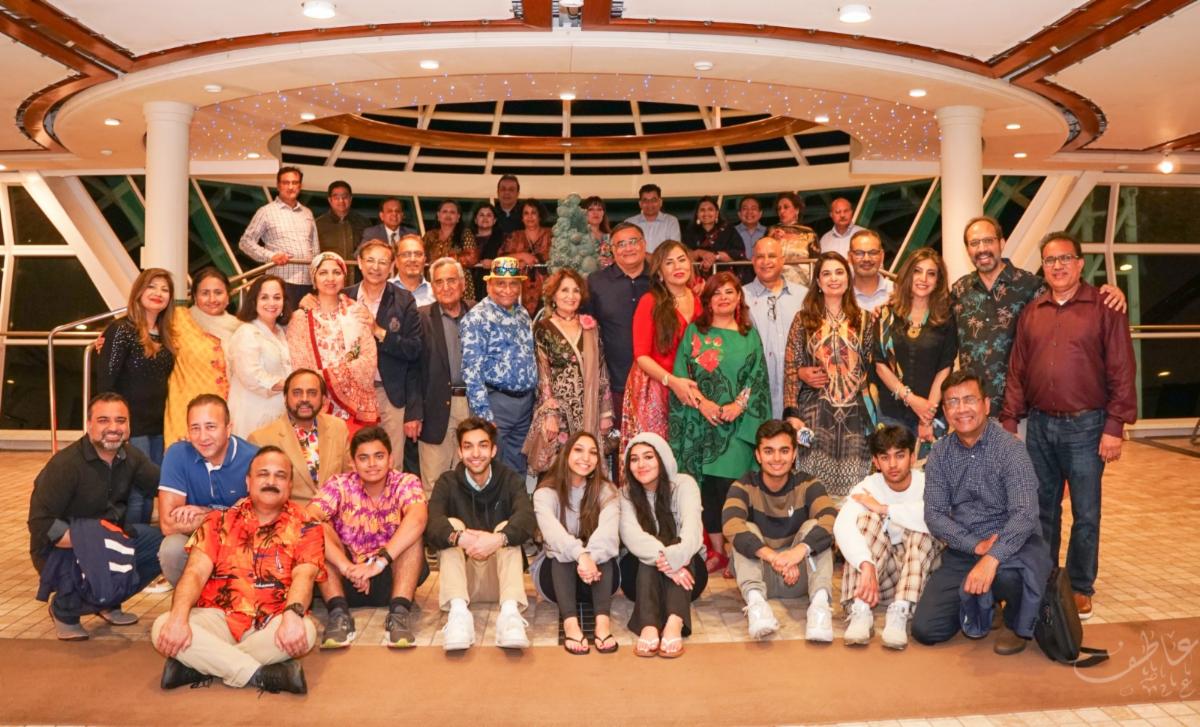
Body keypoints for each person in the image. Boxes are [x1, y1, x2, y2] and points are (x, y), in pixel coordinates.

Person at [1000, 231, 1136, 620]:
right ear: (1042, 267)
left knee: (1086, 512)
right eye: (1050, 260)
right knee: (1042, 509)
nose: (1057, 266)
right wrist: (1009, 419)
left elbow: (1122, 368)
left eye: (1064, 259)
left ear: (1079, 263)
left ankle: (1079, 586)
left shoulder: (1105, 307)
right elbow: (1017, 370)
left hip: (1087, 427)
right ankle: (1044, 578)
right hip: (1040, 426)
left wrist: (1114, 425)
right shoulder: (1032, 312)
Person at [151, 446, 322, 694]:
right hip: (219, 617)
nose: (271, 481)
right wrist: (178, 618)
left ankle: (202, 666)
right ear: (248, 482)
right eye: (263, 474)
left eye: (280, 475)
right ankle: (262, 674)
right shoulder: (218, 521)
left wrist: (293, 615)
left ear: (290, 484)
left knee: (305, 631)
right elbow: (195, 573)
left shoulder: (307, 524)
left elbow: (304, 576)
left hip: (273, 619)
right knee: (162, 626)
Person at [911, 372, 1051, 655]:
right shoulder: (940, 454)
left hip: (1013, 544)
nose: (962, 409)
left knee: (1009, 576)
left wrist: (991, 556)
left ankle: (1014, 620)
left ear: (986, 405)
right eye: (953, 402)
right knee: (926, 629)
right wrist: (975, 546)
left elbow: (1025, 514)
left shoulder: (1011, 449)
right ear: (945, 411)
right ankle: (985, 603)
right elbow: (935, 514)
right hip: (965, 547)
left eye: (969, 400)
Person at [951, 215, 1126, 414]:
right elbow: (941, 338)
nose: (982, 248)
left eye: (988, 240)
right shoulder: (959, 290)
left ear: (1002, 243)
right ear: (967, 249)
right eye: (974, 243)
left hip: (1020, 412)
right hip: (971, 410)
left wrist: (1108, 292)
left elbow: (1069, 294)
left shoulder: (1032, 286)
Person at [29, 393, 163, 640]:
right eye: (103, 420)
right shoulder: (65, 465)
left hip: (110, 540)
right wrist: (94, 542)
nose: (113, 428)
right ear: (89, 424)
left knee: (163, 545)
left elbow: (164, 487)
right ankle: (64, 610)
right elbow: (41, 524)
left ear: (129, 426)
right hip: (62, 550)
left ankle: (108, 601)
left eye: (120, 420)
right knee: (100, 550)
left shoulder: (131, 457)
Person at [669, 272, 771, 572]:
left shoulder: (748, 335)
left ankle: (738, 551)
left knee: (733, 488)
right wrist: (703, 404)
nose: (723, 297)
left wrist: (739, 405)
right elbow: (682, 374)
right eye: (717, 293)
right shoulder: (695, 333)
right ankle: (717, 552)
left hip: (737, 426)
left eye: (729, 292)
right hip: (701, 422)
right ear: (708, 300)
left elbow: (756, 376)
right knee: (707, 490)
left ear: (739, 298)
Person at [308, 427, 428, 649]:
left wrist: (378, 563)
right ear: (352, 463)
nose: (372, 464)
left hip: (390, 576)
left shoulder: (405, 482)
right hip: (345, 579)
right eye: (363, 458)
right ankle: (338, 615)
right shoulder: (339, 484)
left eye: (379, 456)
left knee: (413, 534)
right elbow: (309, 517)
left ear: (390, 460)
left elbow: (418, 518)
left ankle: (399, 615)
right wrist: (347, 568)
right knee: (317, 528)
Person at [425, 417, 535, 651]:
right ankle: (458, 616)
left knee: (506, 528)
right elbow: (432, 524)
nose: (476, 453)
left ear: (493, 450)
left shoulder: (510, 479)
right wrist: (461, 538)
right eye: (468, 446)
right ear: (460, 451)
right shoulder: (447, 482)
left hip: (501, 581)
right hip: (463, 582)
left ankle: (510, 617)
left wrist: (496, 540)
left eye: (483, 446)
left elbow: (527, 519)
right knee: (451, 525)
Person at [722, 420, 836, 642]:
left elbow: (830, 518)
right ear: (758, 455)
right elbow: (730, 525)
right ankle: (757, 606)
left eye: (784, 451)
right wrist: (775, 557)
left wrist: (798, 552)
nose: (776, 458)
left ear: (794, 454)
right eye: (769, 451)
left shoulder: (808, 484)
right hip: (759, 573)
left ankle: (820, 607)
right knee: (744, 528)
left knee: (816, 526)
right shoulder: (743, 486)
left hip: (800, 576)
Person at [834, 425, 940, 649]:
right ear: (875, 461)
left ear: (912, 457)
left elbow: (936, 518)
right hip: (877, 580)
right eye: (885, 457)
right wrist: (866, 564)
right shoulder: (867, 486)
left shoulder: (928, 484)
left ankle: (900, 612)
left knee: (921, 529)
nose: (892, 464)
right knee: (865, 520)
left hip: (916, 580)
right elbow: (841, 526)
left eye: (899, 456)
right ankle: (860, 609)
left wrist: (885, 509)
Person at [784, 252, 878, 502]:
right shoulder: (803, 319)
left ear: (848, 279)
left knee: (855, 493)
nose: (833, 278)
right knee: (812, 491)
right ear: (818, 281)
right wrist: (792, 415)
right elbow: (791, 368)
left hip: (856, 417)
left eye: (839, 272)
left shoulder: (865, 320)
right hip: (814, 416)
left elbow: (873, 368)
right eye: (826, 273)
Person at [97, 267, 176, 522]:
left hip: (158, 427)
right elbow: (106, 383)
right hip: (131, 426)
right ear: (139, 291)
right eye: (151, 286)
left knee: (150, 490)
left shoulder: (167, 336)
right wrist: (114, 424)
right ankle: (127, 542)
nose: (158, 293)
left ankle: (140, 542)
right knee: (134, 494)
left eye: (164, 289)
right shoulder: (122, 330)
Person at [618, 432, 707, 658]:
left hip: (688, 575)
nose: (641, 464)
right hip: (638, 579)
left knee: (678, 543)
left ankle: (675, 621)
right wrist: (666, 561)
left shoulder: (684, 484)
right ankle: (648, 625)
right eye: (634, 459)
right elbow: (631, 536)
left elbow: (693, 531)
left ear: (662, 458)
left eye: (648, 457)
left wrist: (675, 559)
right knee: (647, 550)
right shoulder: (625, 494)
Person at [533, 432, 620, 655]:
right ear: (566, 454)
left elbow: (609, 533)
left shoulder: (607, 490)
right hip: (555, 580)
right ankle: (571, 625)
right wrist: (581, 555)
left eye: (593, 453)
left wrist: (590, 557)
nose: (586, 458)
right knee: (561, 553)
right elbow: (553, 535)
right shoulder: (545, 492)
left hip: (597, 579)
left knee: (603, 551)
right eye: (579, 450)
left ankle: (602, 625)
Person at [157, 394, 258, 585]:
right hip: (199, 542)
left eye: (211, 427)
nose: (202, 437)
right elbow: (168, 524)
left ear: (228, 428)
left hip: (243, 544)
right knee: (171, 547)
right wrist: (231, 513)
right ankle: (192, 598)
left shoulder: (254, 458)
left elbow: (258, 521)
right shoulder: (178, 454)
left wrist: (206, 513)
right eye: (195, 428)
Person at [524, 269, 614, 475]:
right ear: (553, 295)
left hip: (589, 410)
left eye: (576, 291)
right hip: (560, 413)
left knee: (587, 467)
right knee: (558, 472)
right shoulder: (543, 328)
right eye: (564, 290)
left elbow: (602, 370)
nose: (571, 296)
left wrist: (605, 413)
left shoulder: (591, 327)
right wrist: (550, 415)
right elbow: (543, 375)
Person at [620, 240, 702, 461]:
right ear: (659, 273)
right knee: (654, 459)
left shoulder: (699, 300)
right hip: (655, 388)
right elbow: (641, 356)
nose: (677, 267)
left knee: (687, 456)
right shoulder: (650, 302)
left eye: (682, 260)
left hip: (690, 389)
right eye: (669, 262)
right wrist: (672, 382)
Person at [345, 238, 423, 470]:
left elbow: (414, 349)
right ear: (359, 262)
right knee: (351, 462)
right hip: (351, 395)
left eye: (382, 262)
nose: (376, 267)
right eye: (370, 260)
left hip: (390, 393)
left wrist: (379, 332)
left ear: (391, 267)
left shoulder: (404, 300)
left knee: (391, 463)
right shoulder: (344, 297)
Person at [459, 257, 537, 474]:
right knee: (493, 469)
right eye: (501, 283)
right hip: (496, 404)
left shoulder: (522, 313)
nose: (507, 290)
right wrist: (484, 416)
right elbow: (472, 372)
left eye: (513, 284)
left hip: (525, 404)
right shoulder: (477, 318)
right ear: (489, 285)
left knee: (518, 469)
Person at [872, 248, 957, 446]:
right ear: (907, 274)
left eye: (931, 273)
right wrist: (911, 399)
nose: (923, 279)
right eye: (917, 271)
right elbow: (880, 364)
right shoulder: (885, 315)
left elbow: (945, 367)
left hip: (931, 415)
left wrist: (927, 415)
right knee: (893, 464)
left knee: (931, 466)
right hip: (891, 414)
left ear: (938, 280)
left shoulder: (946, 318)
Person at [286, 252, 379, 432]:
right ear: (314, 280)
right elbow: (299, 365)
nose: (330, 278)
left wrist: (331, 377)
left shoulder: (357, 312)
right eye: (323, 273)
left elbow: (369, 359)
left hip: (353, 407)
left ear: (344, 278)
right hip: (316, 405)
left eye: (336, 272)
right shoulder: (300, 318)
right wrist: (326, 382)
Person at [406, 257, 475, 494]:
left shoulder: (478, 313)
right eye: (439, 282)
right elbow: (412, 370)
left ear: (463, 284)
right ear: (432, 287)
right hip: (434, 409)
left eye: (451, 280)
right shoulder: (420, 317)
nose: (446, 287)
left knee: (470, 479)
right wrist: (414, 413)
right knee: (434, 484)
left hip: (472, 407)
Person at [162, 267, 241, 446]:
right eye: (205, 293)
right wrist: (109, 338)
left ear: (228, 296)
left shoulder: (240, 328)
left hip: (226, 412)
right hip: (185, 412)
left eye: (218, 292)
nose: (212, 299)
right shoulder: (178, 320)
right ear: (195, 297)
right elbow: (145, 326)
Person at [248, 369, 351, 504]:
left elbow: (350, 480)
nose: (304, 399)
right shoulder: (261, 439)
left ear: (323, 399)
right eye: (297, 393)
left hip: (336, 512)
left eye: (312, 393)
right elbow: (261, 496)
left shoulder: (338, 428)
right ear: (285, 398)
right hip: (290, 515)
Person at [586, 222, 651, 427]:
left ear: (644, 244)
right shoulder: (596, 282)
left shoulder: (659, 279)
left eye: (633, 241)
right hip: (614, 384)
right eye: (621, 244)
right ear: (612, 250)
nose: (628, 248)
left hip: (656, 381)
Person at [237, 166, 320, 309]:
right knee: (282, 321)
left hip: (308, 282)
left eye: (295, 183)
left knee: (306, 322)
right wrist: (271, 256)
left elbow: (315, 247)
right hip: (281, 282)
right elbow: (245, 242)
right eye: (286, 183)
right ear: (278, 185)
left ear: (300, 186)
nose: (290, 187)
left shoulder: (307, 213)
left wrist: (317, 277)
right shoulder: (266, 212)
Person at [745, 235, 808, 418]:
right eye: (760, 256)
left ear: (783, 260)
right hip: (754, 398)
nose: (766, 262)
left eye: (772, 256)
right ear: (753, 261)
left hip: (799, 396)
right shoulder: (740, 297)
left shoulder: (803, 296)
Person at [227, 274, 292, 438]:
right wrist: (291, 384)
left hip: (280, 413)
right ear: (253, 301)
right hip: (252, 414)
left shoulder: (282, 331)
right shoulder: (246, 333)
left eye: (277, 297)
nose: (271, 303)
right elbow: (252, 376)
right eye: (264, 297)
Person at [423, 199, 479, 300]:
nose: (448, 215)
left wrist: (445, 260)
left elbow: (472, 257)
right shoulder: (429, 235)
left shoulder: (465, 234)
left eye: (452, 212)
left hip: (458, 283)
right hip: (435, 280)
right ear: (438, 215)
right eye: (445, 211)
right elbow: (421, 255)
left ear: (458, 217)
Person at [682, 195, 743, 278]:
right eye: (702, 210)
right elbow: (683, 257)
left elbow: (739, 254)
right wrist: (699, 253)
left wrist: (715, 256)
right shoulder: (690, 232)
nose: (706, 213)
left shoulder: (728, 230)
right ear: (697, 214)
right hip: (696, 279)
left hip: (724, 278)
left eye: (710, 209)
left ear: (717, 213)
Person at [314, 180, 371, 266]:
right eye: (336, 197)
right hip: (330, 272)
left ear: (350, 199)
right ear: (330, 200)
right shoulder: (318, 224)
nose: (341, 201)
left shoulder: (364, 223)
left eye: (345, 197)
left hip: (358, 272)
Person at [624, 183, 681, 253]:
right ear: (640, 204)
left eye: (653, 200)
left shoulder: (671, 221)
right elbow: (627, 248)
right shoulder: (629, 223)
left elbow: (675, 248)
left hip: (663, 260)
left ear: (660, 202)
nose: (649, 204)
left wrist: (654, 258)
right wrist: (646, 256)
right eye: (645, 200)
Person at [849, 229, 894, 313]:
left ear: (882, 256)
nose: (866, 259)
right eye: (859, 253)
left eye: (873, 253)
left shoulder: (897, 293)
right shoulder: (839, 294)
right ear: (849, 257)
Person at [499, 198, 552, 263]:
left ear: (540, 216)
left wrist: (536, 259)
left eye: (533, 213)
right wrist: (522, 256)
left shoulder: (551, 234)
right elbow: (500, 259)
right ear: (522, 218)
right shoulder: (514, 236)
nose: (530, 216)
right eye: (526, 213)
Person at [391, 234, 436, 306]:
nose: (413, 259)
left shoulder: (436, 292)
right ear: (396, 261)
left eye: (418, 254)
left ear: (424, 260)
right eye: (406, 254)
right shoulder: (384, 290)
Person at [471, 202, 502, 294]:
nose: (485, 218)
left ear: (494, 220)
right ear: (475, 220)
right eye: (481, 215)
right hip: (470, 285)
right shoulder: (467, 239)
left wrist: (494, 263)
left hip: (495, 285)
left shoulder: (504, 239)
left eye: (489, 215)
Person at [726, 195, 769, 261]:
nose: (749, 212)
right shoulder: (730, 232)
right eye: (745, 209)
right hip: (738, 267)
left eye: (753, 208)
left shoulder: (768, 232)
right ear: (739, 214)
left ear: (760, 213)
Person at [583, 196, 613, 268]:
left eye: (599, 209)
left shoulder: (609, 236)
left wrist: (612, 261)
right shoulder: (578, 236)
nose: (595, 213)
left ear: (603, 213)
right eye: (590, 209)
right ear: (583, 213)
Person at [493, 174, 523, 238]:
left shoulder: (526, 215)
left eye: (511, 190)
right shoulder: (491, 214)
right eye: (503, 189)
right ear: (497, 193)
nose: (507, 192)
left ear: (518, 194)